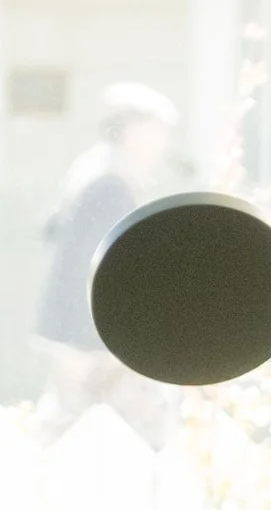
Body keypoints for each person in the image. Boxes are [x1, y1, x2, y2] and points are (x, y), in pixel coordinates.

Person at [34, 79, 179, 435]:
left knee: (68, 422)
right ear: (132, 132)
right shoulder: (111, 182)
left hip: (82, 332)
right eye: (157, 132)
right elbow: (107, 265)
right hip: (92, 335)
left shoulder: (96, 170)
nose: (164, 143)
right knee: (143, 423)